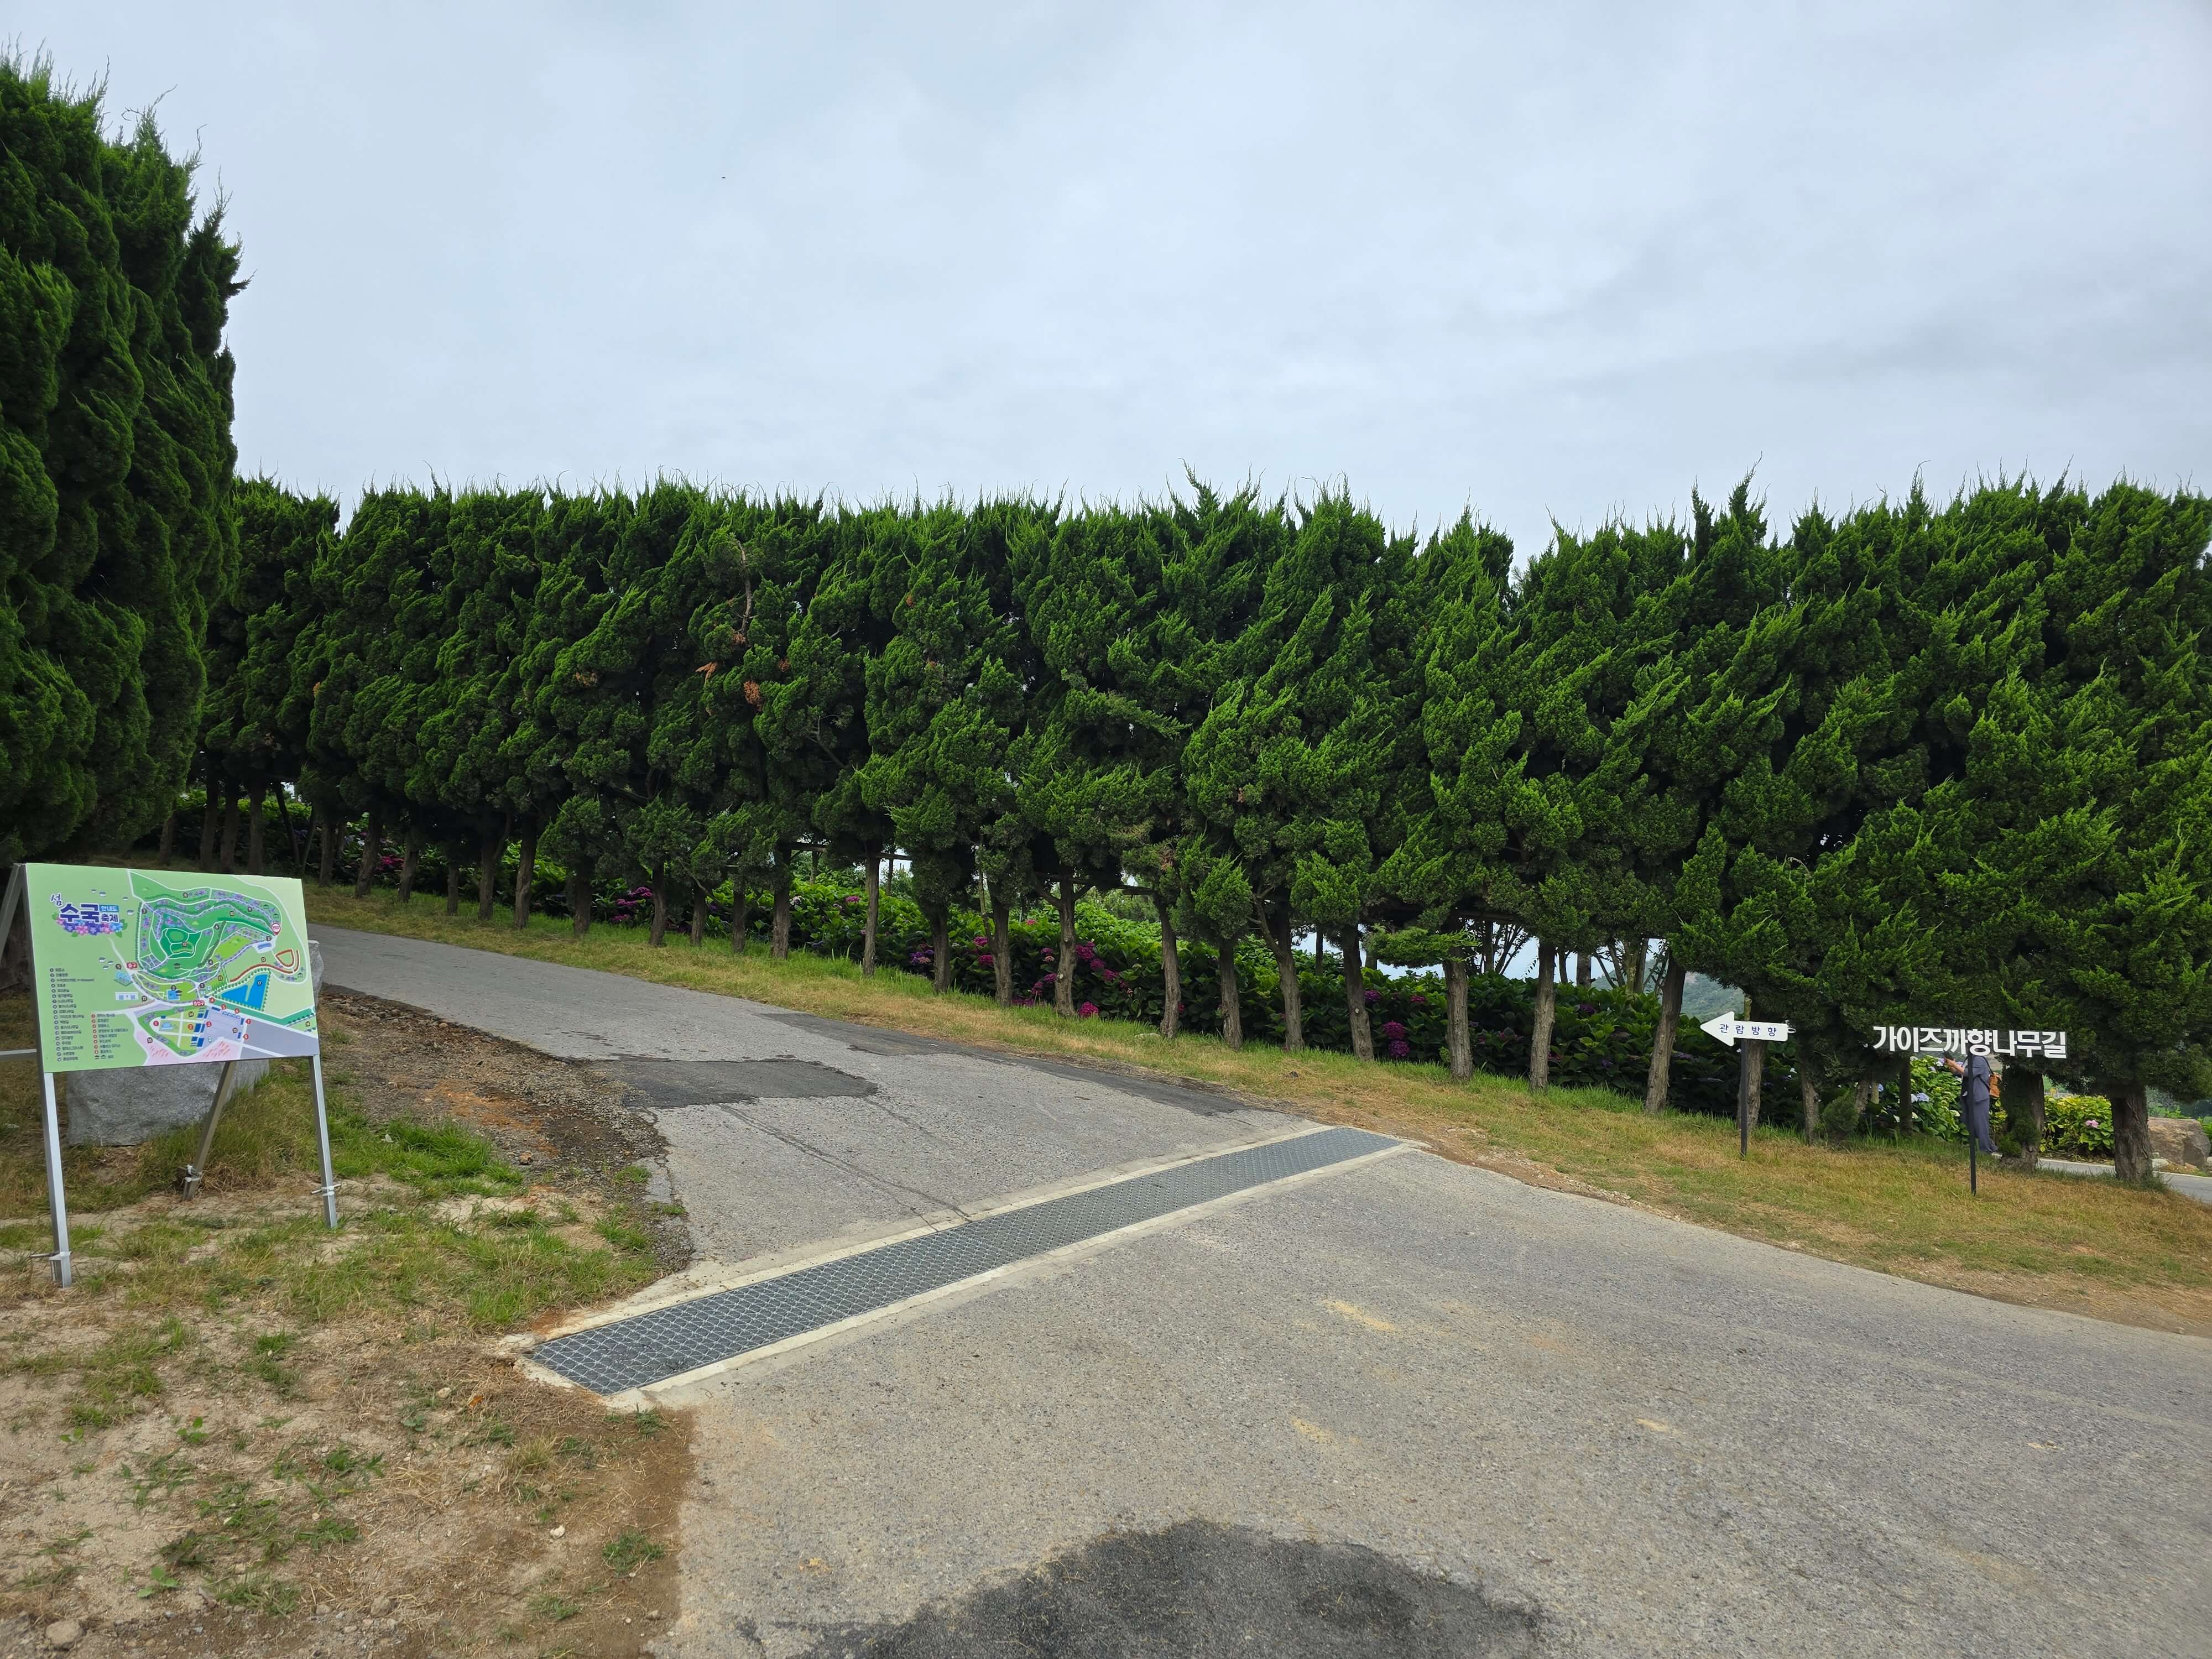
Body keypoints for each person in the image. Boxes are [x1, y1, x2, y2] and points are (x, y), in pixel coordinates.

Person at [1947, 1053, 1996, 1155]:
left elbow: (1969, 1073)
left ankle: (1986, 1151)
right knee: (1968, 1123)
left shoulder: (1979, 1060)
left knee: (1980, 1125)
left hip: (1979, 1097)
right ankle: (1985, 1147)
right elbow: (1958, 1073)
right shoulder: (1968, 1059)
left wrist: (1955, 1065)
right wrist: (1951, 1065)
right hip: (1968, 1096)